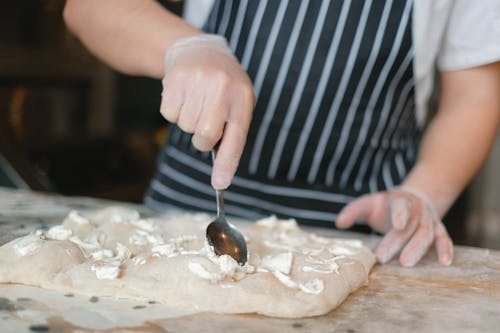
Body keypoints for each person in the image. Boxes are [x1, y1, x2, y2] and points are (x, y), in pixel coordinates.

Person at [63, 0, 500, 267]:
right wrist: (185, 46)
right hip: (189, 219)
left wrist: (424, 193)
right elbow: (91, 7)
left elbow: (475, 95)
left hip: (359, 235)